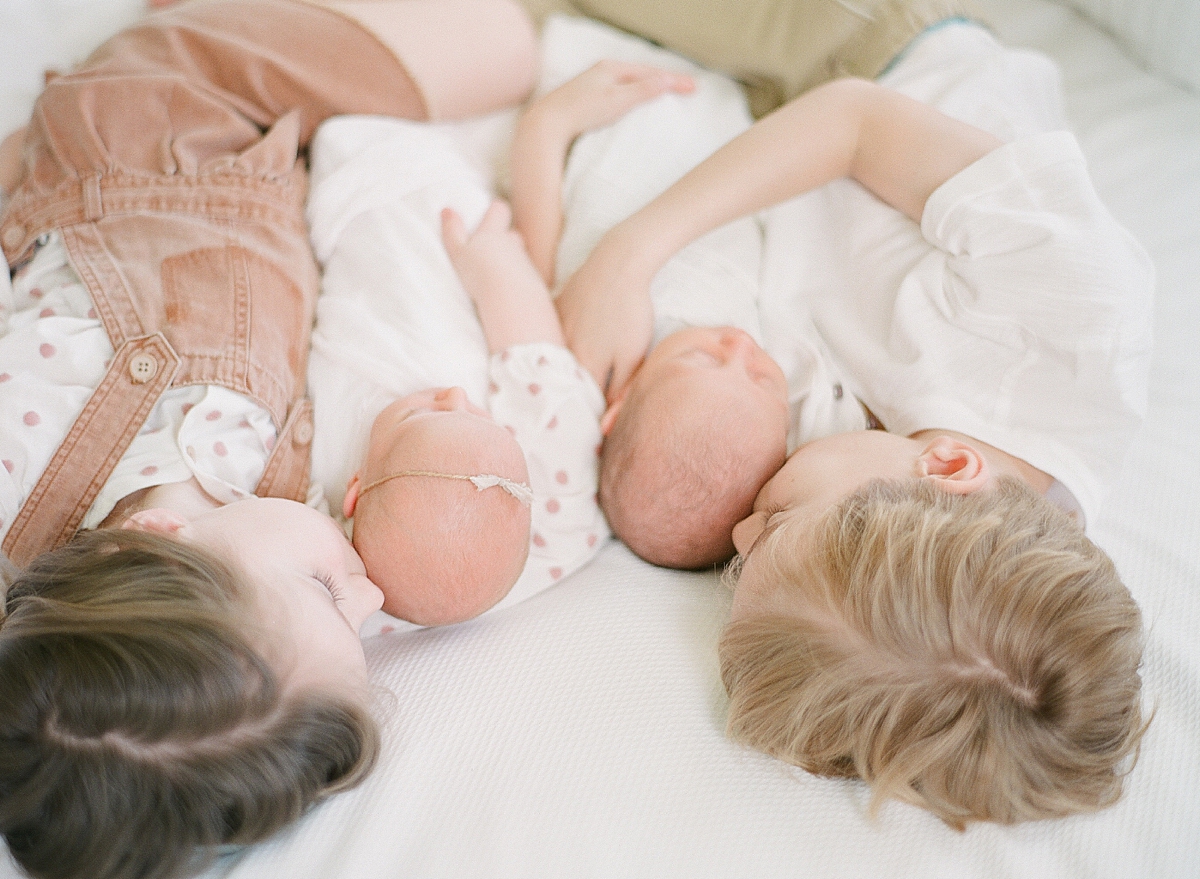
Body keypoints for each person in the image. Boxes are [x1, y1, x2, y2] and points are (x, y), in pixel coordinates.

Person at [555, 24, 1153, 824]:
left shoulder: (877, 519)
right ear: (942, 468)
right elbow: (851, 120)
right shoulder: (1070, 313)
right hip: (864, 49)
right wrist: (626, 255)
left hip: (755, 156)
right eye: (773, 524)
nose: (735, 536)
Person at [0, 1, 539, 878]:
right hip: (272, 176)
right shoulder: (278, 525)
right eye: (364, 633)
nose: (372, 595)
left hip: (164, 119)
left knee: (504, 46)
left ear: (161, 539)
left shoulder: (18, 470)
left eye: (331, 591)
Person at [306, 59, 692, 627]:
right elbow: (534, 348)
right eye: (483, 420)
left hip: (346, 187)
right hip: (443, 191)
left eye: (421, 417)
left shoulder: (321, 469)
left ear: (355, 493)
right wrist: (497, 274)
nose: (455, 398)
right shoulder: (554, 518)